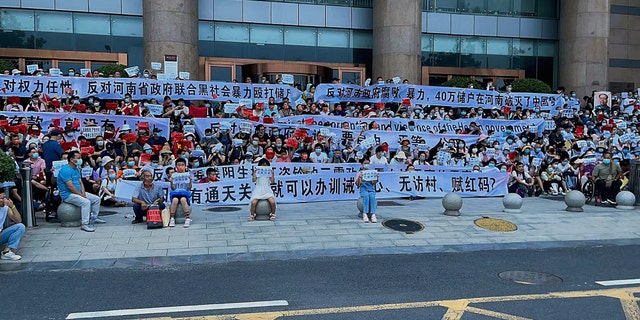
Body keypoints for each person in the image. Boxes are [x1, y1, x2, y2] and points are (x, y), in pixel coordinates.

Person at [57, 150, 103, 232]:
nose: (80, 159)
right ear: (71, 159)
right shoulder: (65, 170)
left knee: (96, 199)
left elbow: (80, 182)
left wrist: (83, 193)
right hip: (68, 195)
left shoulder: (77, 169)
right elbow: (70, 186)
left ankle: (94, 218)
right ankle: (85, 224)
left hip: (78, 193)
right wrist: (80, 195)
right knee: (86, 202)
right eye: (78, 158)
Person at [0, 190, 25, 260]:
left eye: (5, 198)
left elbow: (18, 220)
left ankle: (6, 252)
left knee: (20, 226)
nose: (4, 200)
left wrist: (12, 206)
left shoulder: (5, 208)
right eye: (2, 198)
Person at [168, 158, 192, 227]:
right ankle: (172, 218)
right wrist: (171, 181)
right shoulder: (174, 175)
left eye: (182, 165)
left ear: (185, 166)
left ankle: (187, 218)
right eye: (178, 165)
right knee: (175, 200)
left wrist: (190, 180)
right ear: (176, 167)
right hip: (176, 193)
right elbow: (173, 188)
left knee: (183, 200)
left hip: (184, 193)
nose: (180, 166)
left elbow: (189, 188)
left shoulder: (187, 175)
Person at [355, 158, 378, 222]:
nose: (366, 165)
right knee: (366, 196)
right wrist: (360, 178)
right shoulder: (360, 173)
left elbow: (374, 183)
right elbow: (357, 184)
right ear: (362, 164)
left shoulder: (371, 172)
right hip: (363, 189)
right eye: (365, 163)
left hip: (371, 189)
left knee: (372, 197)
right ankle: (365, 214)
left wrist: (376, 178)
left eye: (368, 163)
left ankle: (373, 214)